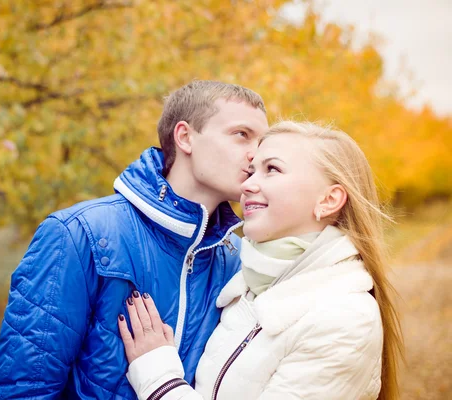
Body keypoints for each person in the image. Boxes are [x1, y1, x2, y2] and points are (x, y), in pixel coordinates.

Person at [0, 80, 269, 399]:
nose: (257, 156)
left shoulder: (237, 259)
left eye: (263, 142)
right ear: (185, 137)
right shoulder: (81, 233)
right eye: (242, 135)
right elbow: (25, 389)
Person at [119, 121, 404, 400]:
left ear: (328, 200)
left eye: (272, 169)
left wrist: (159, 379)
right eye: (252, 170)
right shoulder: (246, 285)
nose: (248, 184)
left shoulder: (345, 318)